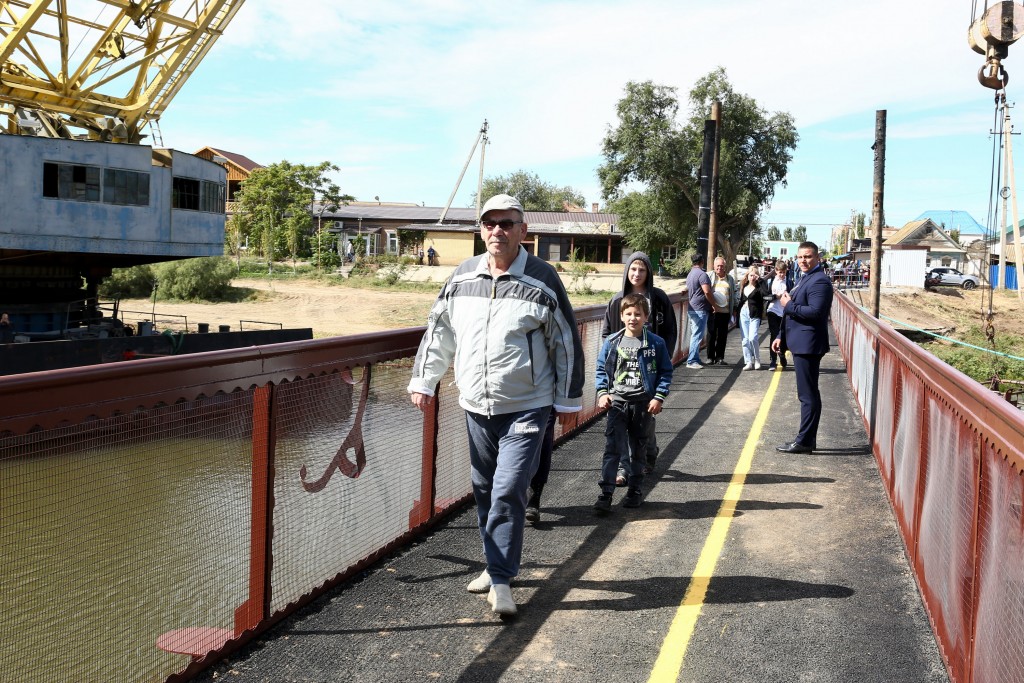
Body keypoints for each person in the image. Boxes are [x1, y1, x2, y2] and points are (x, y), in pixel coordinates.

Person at [408, 194, 585, 617]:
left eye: (506, 224)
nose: (497, 231)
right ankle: (494, 564)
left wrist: (568, 399)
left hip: (528, 403)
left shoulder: (542, 278)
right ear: (481, 230)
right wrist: (424, 380)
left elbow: (565, 342)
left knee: (508, 488)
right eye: (489, 224)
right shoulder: (462, 276)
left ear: (523, 231)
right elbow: (440, 332)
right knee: (485, 487)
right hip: (475, 403)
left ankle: (503, 580)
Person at [601, 252, 678, 482]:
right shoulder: (617, 301)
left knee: (645, 421)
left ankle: (649, 452)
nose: (636, 274)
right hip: (623, 374)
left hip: (649, 373)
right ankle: (625, 468)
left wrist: (666, 359)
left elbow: (670, 332)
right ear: (627, 272)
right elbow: (607, 333)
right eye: (633, 269)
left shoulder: (660, 299)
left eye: (642, 270)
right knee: (620, 422)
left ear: (648, 273)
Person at [593, 293, 673, 511]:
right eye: (628, 313)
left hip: (642, 404)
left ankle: (635, 490)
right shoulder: (612, 342)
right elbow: (601, 369)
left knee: (638, 449)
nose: (633, 318)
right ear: (621, 315)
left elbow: (666, 371)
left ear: (646, 316)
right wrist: (602, 392)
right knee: (612, 449)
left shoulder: (655, 343)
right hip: (617, 404)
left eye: (638, 314)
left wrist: (658, 396)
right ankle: (606, 493)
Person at [772, 241, 834, 454]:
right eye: (800, 257)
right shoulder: (803, 278)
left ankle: (805, 441)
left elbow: (816, 312)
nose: (803, 261)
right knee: (807, 394)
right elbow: (793, 312)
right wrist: (782, 336)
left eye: (808, 257)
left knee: (807, 395)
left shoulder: (820, 281)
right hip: (799, 342)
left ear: (817, 258)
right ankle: (806, 439)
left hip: (809, 345)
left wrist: (789, 305)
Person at [737, 265, 769, 370]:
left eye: (754, 275)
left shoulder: (760, 287)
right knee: (745, 340)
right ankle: (748, 362)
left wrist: (760, 280)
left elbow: (766, 294)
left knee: (753, 338)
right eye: (751, 275)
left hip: (755, 314)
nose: (752, 277)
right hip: (743, 313)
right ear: (747, 275)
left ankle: (757, 359)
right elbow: (741, 300)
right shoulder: (744, 285)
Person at [685, 253, 714, 369]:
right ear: (702, 261)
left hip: (692, 307)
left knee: (694, 334)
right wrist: (714, 304)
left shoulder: (690, 274)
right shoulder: (702, 275)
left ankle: (695, 358)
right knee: (697, 335)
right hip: (700, 308)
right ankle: (691, 361)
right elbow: (707, 291)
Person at [706, 256, 736, 366]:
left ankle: (720, 357)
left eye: (722, 266)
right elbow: (700, 286)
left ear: (725, 267)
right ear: (714, 266)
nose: (720, 268)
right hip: (713, 311)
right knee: (711, 334)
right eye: (718, 266)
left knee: (722, 336)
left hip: (725, 311)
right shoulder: (709, 276)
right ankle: (710, 357)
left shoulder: (730, 279)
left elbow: (734, 293)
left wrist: (734, 309)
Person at [765, 260, 793, 370]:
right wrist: (775, 296)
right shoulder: (771, 282)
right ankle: (773, 361)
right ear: (776, 271)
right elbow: (765, 295)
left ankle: (782, 355)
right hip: (772, 310)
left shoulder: (789, 282)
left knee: (784, 336)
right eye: (780, 272)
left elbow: (793, 296)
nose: (782, 274)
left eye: (784, 272)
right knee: (774, 334)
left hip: (784, 312)